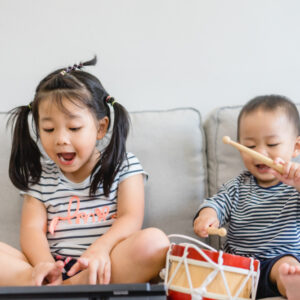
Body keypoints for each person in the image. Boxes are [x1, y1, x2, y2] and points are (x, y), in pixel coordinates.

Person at [1, 56, 169, 286]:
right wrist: (45, 265)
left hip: (103, 264)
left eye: (74, 127)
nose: (61, 139)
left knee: (155, 242)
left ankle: (63, 290)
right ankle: (50, 287)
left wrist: (100, 250)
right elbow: (31, 230)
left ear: (101, 127)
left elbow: (130, 218)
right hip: (51, 268)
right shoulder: (41, 177)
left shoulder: (124, 165)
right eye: (48, 129)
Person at [194, 95, 300, 300]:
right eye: (250, 147)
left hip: (278, 263)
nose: (260, 152)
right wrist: (207, 216)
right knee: (207, 267)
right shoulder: (236, 187)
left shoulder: (294, 187)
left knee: (289, 268)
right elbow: (215, 204)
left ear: (296, 147)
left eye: (272, 144)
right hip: (238, 268)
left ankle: (293, 287)